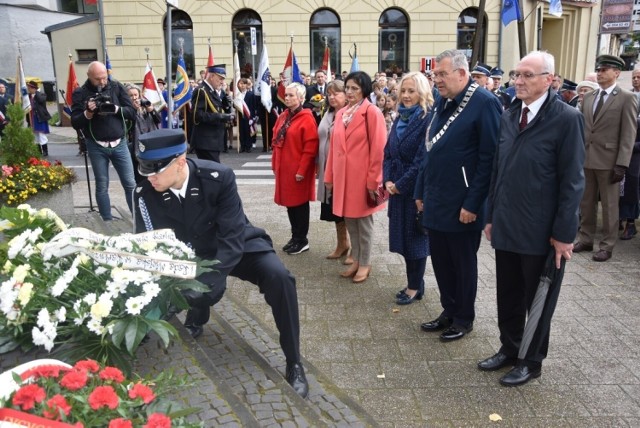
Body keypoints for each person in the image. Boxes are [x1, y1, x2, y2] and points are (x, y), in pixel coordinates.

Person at [133, 128, 309, 398]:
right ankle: (198, 310)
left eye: (155, 170)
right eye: (144, 169)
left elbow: (232, 236)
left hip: (234, 244)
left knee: (280, 278)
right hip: (191, 253)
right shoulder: (145, 192)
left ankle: (294, 360)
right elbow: (148, 245)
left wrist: (209, 279)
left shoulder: (218, 177)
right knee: (195, 292)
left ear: (180, 162)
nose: (149, 176)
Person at [479, 51, 585, 386]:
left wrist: (565, 234)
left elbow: (573, 180)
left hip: (543, 232)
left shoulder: (566, 118)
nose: (518, 81)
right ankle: (509, 349)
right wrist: (491, 215)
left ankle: (530, 360)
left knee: (537, 299)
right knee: (507, 293)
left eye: (527, 75)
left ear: (549, 79)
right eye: (516, 74)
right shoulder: (511, 113)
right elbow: (499, 169)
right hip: (508, 223)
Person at [415, 49, 501, 341]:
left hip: (464, 203)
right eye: (435, 74)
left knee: (462, 264)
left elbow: (490, 159)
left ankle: (464, 318)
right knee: (441, 261)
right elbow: (430, 149)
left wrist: (474, 203)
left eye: (441, 74)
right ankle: (449, 310)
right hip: (437, 198)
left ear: (462, 74)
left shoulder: (485, 103)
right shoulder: (443, 100)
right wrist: (420, 190)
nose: (436, 79)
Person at [324, 71, 387, 283]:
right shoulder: (342, 113)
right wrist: (329, 176)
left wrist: (374, 180)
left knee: (364, 225)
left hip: (362, 179)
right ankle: (357, 261)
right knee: (350, 221)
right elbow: (333, 148)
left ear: (364, 90)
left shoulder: (372, 112)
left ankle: (365, 263)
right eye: (347, 88)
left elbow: (379, 149)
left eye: (354, 88)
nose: (349, 92)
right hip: (343, 178)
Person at [574, 55, 638, 262]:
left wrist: (622, 164)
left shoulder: (626, 97)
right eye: (599, 70)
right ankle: (585, 238)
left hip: (610, 161)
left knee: (610, 206)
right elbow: (582, 129)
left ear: (617, 73)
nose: (600, 73)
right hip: (586, 158)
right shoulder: (590, 96)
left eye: (605, 70)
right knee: (586, 202)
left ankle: (607, 245)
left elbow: (628, 134)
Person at [383, 72, 432, 305]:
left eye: (412, 91)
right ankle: (415, 283)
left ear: (422, 92)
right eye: (403, 91)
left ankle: (414, 287)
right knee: (403, 240)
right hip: (396, 190)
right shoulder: (398, 117)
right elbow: (388, 153)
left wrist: (399, 186)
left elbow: (422, 161)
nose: (406, 95)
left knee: (415, 241)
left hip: (414, 192)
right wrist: (387, 181)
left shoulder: (427, 119)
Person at [71, 61, 136, 221]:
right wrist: (88, 112)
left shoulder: (116, 87)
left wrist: (116, 109)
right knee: (102, 185)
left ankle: (139, 218)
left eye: (104, 77)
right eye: (98, 79)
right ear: (89, 77)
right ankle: (107, 221)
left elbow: (132, 112)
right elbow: (75, 122)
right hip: (96, 145)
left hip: (119, 143)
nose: (102, 82)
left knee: (130, 184)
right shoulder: (80, 92)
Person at [271, 83, 319, 255]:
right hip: (285, 169)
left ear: (301, 98)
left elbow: (310, 148)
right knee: (290, 205)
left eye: (292, 95)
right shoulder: (284, 116)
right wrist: (274, 163)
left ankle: (302, 239)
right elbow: (275, 140)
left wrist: (302, 171)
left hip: (298, 171)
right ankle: (295, 236)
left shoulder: (307, 118)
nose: (288, 98)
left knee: (299, 205)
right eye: (287, 95)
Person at [317, 80, 354, 264]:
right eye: (329, 94)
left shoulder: (350, 114)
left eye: (336, 93)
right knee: (334, 211)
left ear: (346, 95)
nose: (332, 97)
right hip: (327, 169)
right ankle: (342, 244)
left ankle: (356, 249)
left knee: (349, 210)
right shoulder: (328, 113)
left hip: (344, 171)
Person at [189, 64, 235, 163]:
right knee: (214, 173)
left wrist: (226, 105)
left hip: (213, 141)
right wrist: (220, 117)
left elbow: (217, 109)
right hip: (205, 141)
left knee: (212, 174)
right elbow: (196, 116)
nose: (222, 82)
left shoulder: (213, 91)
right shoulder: (201, 90)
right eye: (220, 78)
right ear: (212, 76)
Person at [126, 84, 161, 183]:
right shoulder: (126, 109)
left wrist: (151, 110)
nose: (134, 97)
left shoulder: (145, 106)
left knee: (153, 175)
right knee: (139, 177)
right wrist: (133, 109)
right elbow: (128, 125)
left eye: (136, 95)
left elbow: (158, 120)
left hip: (150, 145)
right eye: (131, 95)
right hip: (135, 147)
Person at [26, 81, 51, 156]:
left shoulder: (41, 95)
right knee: (35, 135)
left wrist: (36, 92)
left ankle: (45, 151)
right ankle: (38, 151)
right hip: (32, 118)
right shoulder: (28, 96)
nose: (29, 89)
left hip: (39, 118)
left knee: (41, 134)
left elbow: (41, 100)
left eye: (30, 88)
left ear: (34, 88)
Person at [234, 77, 258, 153]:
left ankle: (248, 146)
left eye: (243, 84)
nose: (242, 85)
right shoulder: (237, 95)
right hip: (240, 116)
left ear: (246, 85)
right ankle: (242, 146)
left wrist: (252, 117)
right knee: (242, 131)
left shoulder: (250, 94)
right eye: (240, 84)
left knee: (248, 131)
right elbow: (235, 106)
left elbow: (253, 106)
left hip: (248, 116)